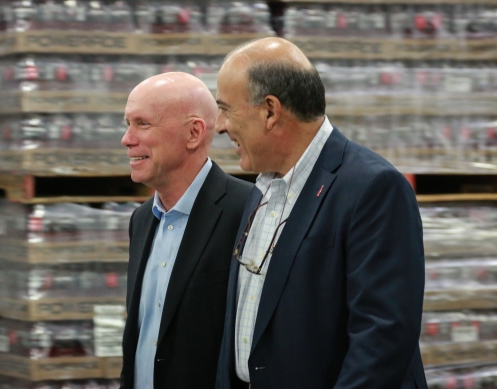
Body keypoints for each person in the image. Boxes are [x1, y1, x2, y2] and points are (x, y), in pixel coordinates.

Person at [214, 37, 427, 388]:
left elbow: (382, 338)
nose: (220, 125)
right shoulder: (263, 189)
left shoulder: (372, 188)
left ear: (270, 110)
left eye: (227, 109)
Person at [120, 72, 253, 389]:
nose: (126, 138)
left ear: (194, 133)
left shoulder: (247, 211)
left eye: (142, 124)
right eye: (127, 123)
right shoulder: (141, 220)